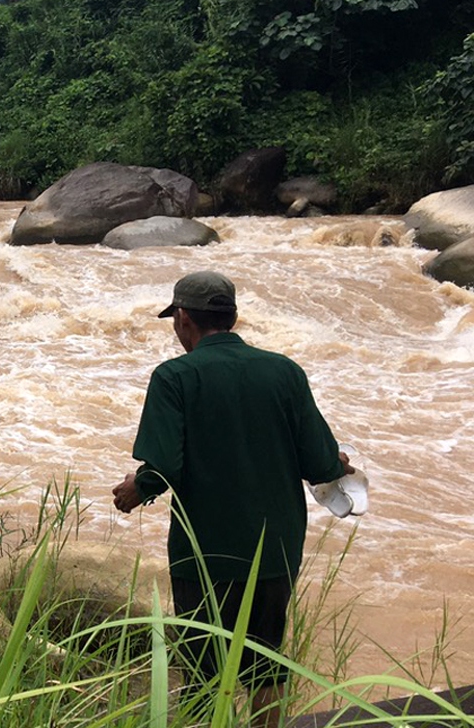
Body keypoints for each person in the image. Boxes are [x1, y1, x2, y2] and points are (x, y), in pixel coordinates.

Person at [111, 271, 354, 728]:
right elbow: (322, 465)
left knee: (203, 670)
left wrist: (133, 490)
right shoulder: (285, 371)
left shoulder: (173, 377)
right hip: (275, 552)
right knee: (265, 662)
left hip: (204, 556)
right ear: (234, 317)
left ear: (183, 319)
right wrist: (339, 463)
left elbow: (162, 468)